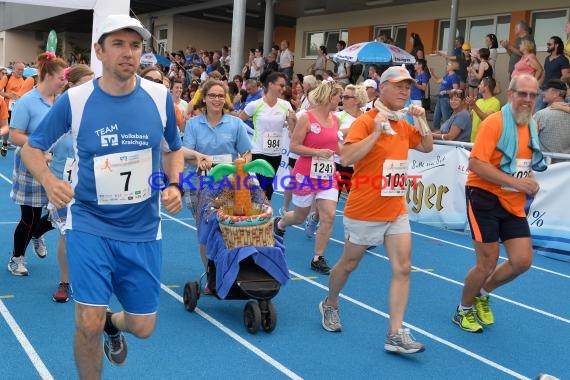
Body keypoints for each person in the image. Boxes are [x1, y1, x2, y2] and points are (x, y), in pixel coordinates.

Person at [20, 14, 184, 377]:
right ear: (99, 51)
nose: (129, 53)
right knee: (87, 322)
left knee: (143, 327)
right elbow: (31, 149)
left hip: (143, 228)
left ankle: (115, 324)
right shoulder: (75, 100)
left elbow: (174, 149)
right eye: (119, 44)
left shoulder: (159, 98)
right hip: (89, 223)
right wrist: (48, 181)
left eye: (136, 45)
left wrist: (175, 185)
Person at [318, 66, 432, 354]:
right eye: (399, 86)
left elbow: (428, 147)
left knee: (403, 268)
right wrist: (377, 132)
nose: (405, 92)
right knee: (348, 263)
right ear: (382, 88)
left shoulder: (405, 123)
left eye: (408, 87)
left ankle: (395, 333)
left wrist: (423, 122)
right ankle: (330, 302)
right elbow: (346, 157)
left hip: (395, 207)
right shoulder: (366, 121)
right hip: (365, 208)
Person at [453, 74, 546, 333]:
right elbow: (476, 164)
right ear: (510, 93)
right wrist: (518, 183)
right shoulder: (494, 123)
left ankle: (482, 293)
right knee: (487, 262)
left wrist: (530, 181)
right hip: (484, 195)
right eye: (522, 94)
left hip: (512, 200)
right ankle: (463, 310)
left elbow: (522, 165)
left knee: (522, 261)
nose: (528, 100)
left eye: (533, 95)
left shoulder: (531, 126)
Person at [273, 81, 344, 274]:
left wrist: (348, 153)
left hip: (327, 176)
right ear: (330, 97)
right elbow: (295, 146)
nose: (341, 100)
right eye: (339, 96)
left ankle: (317, 257)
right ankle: (280, 223)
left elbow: (336, 146)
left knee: (328, 215)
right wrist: (317, 153)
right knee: (299, 216)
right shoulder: (306, 118)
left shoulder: (336, 120)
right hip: (305, 174)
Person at [182, 79, 252, 273]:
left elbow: (247, 153)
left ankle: (230, 269)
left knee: (228, 228)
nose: (217, 99)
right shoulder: (193, 125)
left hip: (229, 185)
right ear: (204, 98)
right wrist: (198, 161)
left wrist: (238, 168)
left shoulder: (236, 124)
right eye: (212, 95)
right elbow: (185, 154)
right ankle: (212, 275)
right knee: (207, 231)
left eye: (221, 96)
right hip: (198, 184)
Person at [7, 52, 67, 276]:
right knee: (29, 216)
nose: (65, 81)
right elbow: (15, 136)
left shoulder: (62, 102)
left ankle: (37, 233)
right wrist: (40, 149)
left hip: (58, 165)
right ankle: (16, 258)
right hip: (30, 165)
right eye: (62, 77)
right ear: (48, 75)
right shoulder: (27, 102)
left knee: (60, 213)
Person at [48, 64, 94, 302]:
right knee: (67, 233)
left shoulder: (99, 111)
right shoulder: (61, 110)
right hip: (63, 184)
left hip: (92, 184)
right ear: (72, 86)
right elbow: (40, 143)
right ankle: (65, 282)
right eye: (86, 83)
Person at [239, 72, 296, 201]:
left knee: (268, 185)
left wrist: (293, 120)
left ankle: (262, 210)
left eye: (284, 86)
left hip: (276, 153)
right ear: (270, 85)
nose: (283, 89)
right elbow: (238, 122)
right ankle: (265, 213)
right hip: (258, 150)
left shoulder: (285, 105)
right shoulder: (255, 104)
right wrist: (244, 144)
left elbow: (292, 130)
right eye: (280, 85)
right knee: (264, 185)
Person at [534, 79, 570, 163]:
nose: (543, 93)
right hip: (567, 168)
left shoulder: (541, 115)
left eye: (545, 90)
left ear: (556, 94)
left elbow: (530, 140)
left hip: (546, 168)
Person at [535, 36, 570, 112]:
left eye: (549, 44)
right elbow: (544, 74)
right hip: (543, 90)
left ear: (556, 45)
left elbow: (565, 76)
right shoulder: (547, 58)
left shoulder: (563, 60)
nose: (547, 46)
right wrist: (537, 86)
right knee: (537, 111)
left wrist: (559, 89)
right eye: (547, 44)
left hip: (554, 92)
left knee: (551, 111)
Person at [466, 76, 501, 142]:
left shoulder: (495, 102)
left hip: (485, 141)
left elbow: (486, 119)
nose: (478, 86)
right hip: (473, 140)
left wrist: (473, 105)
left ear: (486, 87)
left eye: (481, 84)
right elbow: (470, 117)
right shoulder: (479, 101)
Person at [429, 61, 460, 130]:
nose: (446, 66)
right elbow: (437, 81)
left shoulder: (454, 76)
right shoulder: (447, 75)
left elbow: (456, 90)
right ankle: (436, 134)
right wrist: (432, 73)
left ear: (452, 66)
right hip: (440, 98)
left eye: (448, 65)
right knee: (436, 117)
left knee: (446, 118)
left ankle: (447, 133)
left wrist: (445, 92)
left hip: (446, 99)